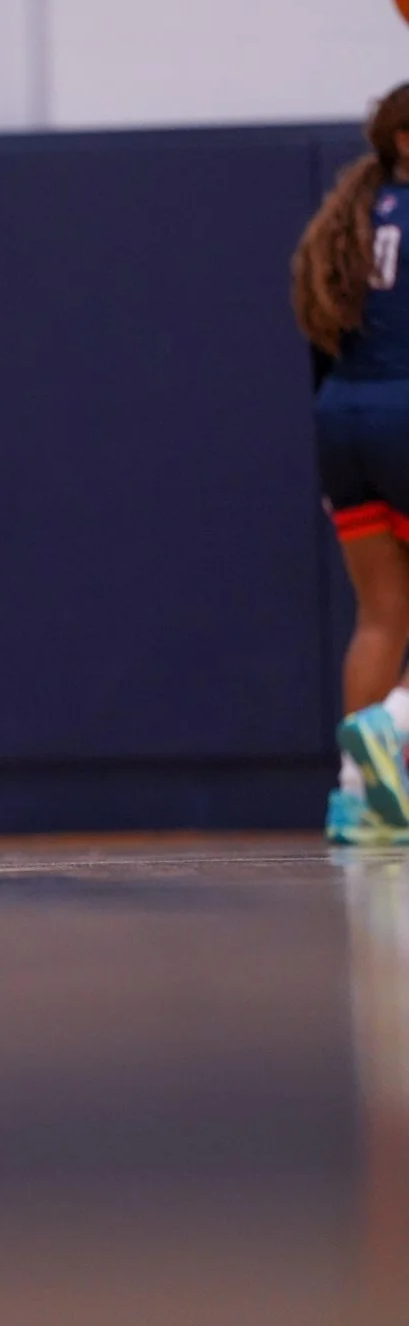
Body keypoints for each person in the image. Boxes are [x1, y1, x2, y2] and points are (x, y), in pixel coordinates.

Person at [292, 83, 409, 845]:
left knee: (381, 615)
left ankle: (354, 796)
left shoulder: (350, 218)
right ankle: (390, 723)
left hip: (341, 420)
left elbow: (320, 342)